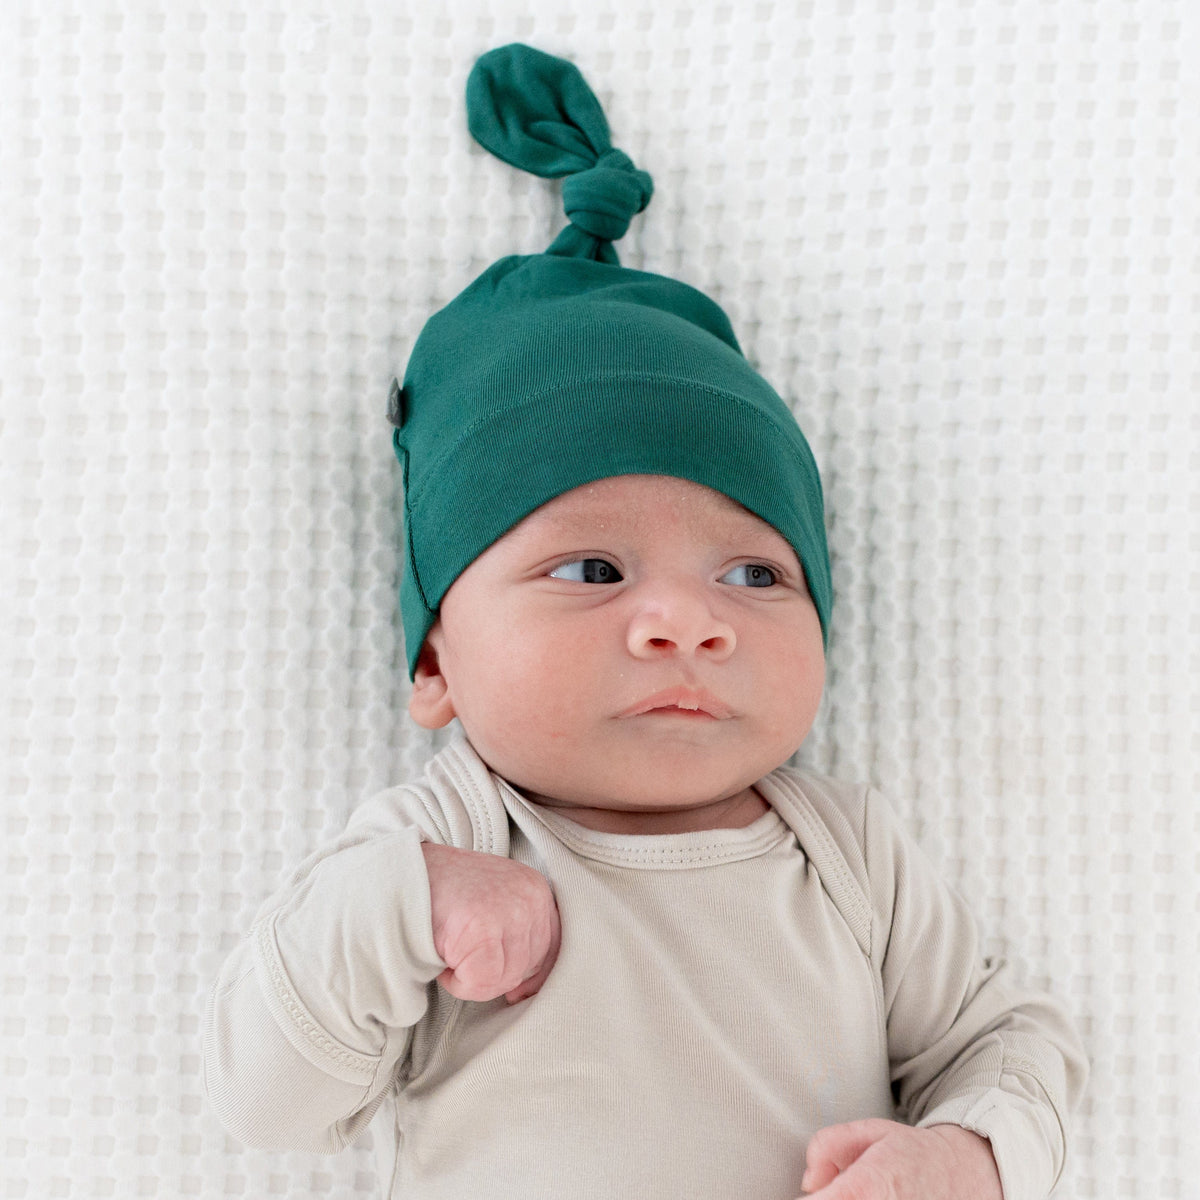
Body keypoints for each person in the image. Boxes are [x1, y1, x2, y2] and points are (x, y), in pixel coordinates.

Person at [203, 43, 1087, 1200]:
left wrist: (967, 1153)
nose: (686, 622)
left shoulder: (848, 855)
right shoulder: (445, 842)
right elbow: (270, 1104)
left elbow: (1007, 1037)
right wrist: (404, 905)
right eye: (590, 568)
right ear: (436, 664)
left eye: (757, 578)